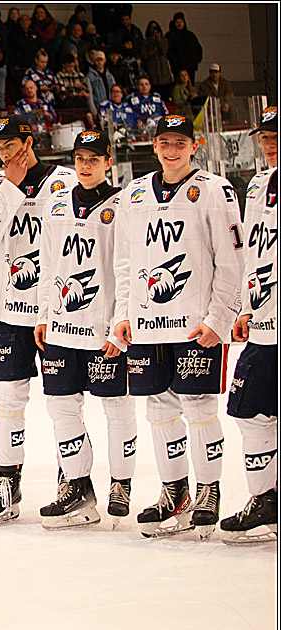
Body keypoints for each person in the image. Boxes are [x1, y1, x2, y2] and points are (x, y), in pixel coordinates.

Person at [112, 114, 243, 539]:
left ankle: (209, 491)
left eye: (180, 143)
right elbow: (126, 262)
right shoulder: (133, 194)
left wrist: (219, 320)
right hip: (148, 326)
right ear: (154, 146)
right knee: (160, 411)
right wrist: (123, 315)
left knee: (199, 408)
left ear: (195, 145)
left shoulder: (214, 191)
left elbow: (231, 260)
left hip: (194, 325)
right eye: (164, 142)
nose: (172, 150)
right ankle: (175, 492)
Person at [0, 115, 78, 525]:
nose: (4, 154)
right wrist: (10, 189)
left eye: (9, 146)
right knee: (7, 400)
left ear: (28, 142)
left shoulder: (63, 182)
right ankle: (6, 479)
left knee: (62, 401)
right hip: (4, 310)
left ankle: (73, 478)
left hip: (55, 310)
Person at [33, 129, 137, 529]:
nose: (86, 165)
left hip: (102, 327)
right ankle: (77, 485)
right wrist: (43, 314)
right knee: (61, 408)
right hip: (61, 325)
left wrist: (119, 323)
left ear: (109, 162)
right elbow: (47, 265)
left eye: (94, 159)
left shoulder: (123, 203)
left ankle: (120, 483)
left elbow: (127, 269)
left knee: (116, 408)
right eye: (80, 158)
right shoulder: (56, 203)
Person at [222, 105, 278, 544]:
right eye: (265, 136)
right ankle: (265, 499)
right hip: (264, 319)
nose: (271, 143)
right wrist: (243, 306)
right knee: (249, 409)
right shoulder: (258, 185)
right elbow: (253, 253)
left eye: (277, 135)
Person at [166, 12, 202, 84]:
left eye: (180, 22)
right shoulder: (170, 36)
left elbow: (198, 48)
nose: (179, 24)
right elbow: (169, 52)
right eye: (177, 22)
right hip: (178, 68)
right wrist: (177, 63)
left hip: (191, 67)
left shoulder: (190, 35)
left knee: (191, 86)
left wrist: (197, 60)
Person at [141, 21, 173, 97]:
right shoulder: (146, 42)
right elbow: (144, 55)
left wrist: (159, 40)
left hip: (164, 71)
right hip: (153, 71)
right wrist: (154, 50)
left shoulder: (163, 40)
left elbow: (164, 51)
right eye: (152, 28)